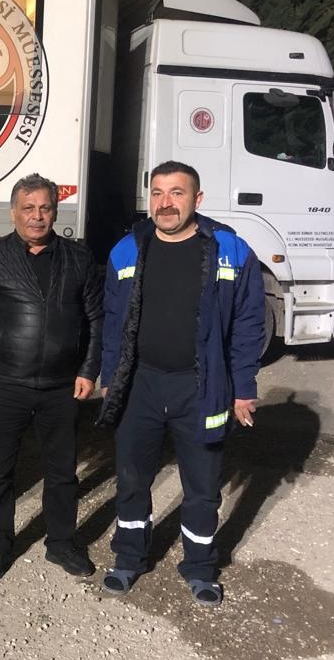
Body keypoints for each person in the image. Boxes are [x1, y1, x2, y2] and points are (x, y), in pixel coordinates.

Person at [98, 160, 265, 607]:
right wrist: (109, 377)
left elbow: (249, 324)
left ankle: (200, 567)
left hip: (202, 387)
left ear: (198, 199)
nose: (166, 203)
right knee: (132, 478)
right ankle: (129, 558)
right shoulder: (127, 250)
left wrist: (243, 388)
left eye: (177, 192)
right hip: (140, 386)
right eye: (157, 193)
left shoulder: (232, 250)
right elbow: (112, 322)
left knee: (202, 484)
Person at [0, 174, 103, 580]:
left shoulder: (79, 259)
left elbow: (96, 319)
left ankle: (61, 543)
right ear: (14, 212)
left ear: (56, 212)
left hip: (62, 386)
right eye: (28, 208)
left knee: (62, 471)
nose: (37, 216)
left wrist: (88, 369)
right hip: (5, 383)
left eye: (45, 208)